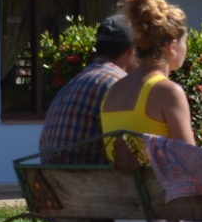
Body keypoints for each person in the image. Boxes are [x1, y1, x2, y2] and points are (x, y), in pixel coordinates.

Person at [99, 0, 194, 164]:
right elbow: (191, 161)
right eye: (185, 42)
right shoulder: (168, 92)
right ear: (173, 46)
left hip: (116, 183)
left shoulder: (113, 91)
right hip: (159, 183)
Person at [38, 14, 136, 165]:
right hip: (91, 179)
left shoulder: (75, 82)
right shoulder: (119, 84)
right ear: (131, 51)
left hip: (52, 178)